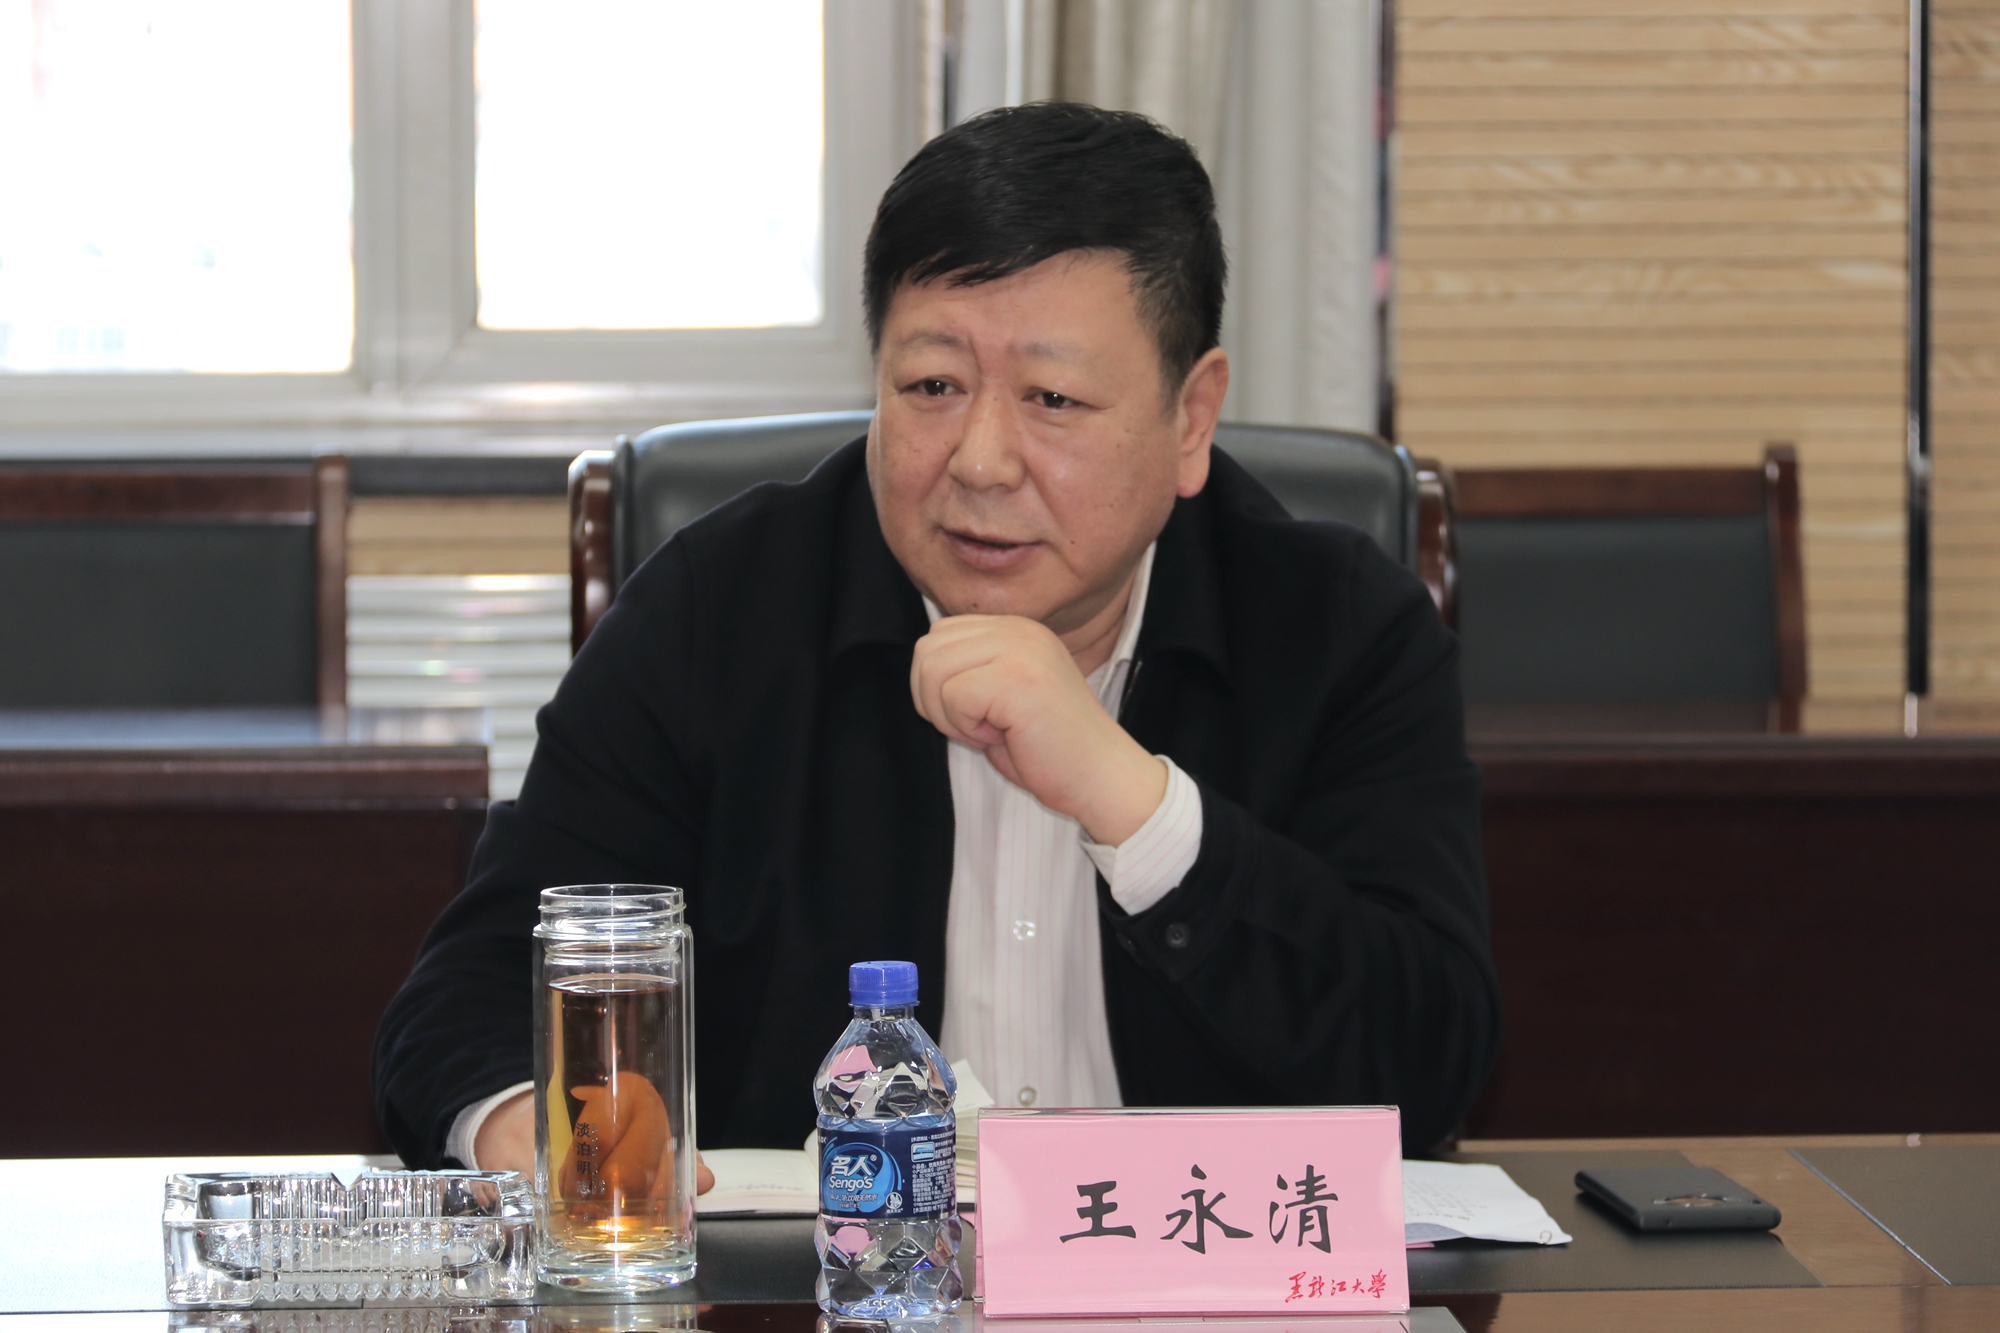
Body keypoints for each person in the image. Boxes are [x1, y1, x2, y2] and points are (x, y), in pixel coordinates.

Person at [374, 102, 1498, 1176]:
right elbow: (469, 1001)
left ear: (1190, 417)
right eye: (931, 385)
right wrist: (533, 1125)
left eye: (1052, 400)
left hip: (1198, 1276)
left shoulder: (1339, 628)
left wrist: (1135, 803)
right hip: (826, 1280)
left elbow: (1431, 1057)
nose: (980, 460)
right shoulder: (715, 613)